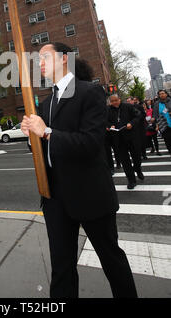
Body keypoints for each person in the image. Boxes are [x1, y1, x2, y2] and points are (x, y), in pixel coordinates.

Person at [21, 42, 137, 298]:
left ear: (64, 59)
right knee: (61, 269)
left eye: (44, 57)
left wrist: (47, 132)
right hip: (55, 198)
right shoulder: (46, 102)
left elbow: (91, 143)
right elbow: (43, 150)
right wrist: (33, 137)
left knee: (112, 261)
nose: (38, 62)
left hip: (90, 193)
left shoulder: (90, 92)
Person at [107, 94, 143, 188]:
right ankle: (131, 180)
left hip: (131, 136)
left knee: (137, 156)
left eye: (116, 100)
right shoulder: (108, 110)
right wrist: (110, 126)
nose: (114, 102)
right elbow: (105, 121)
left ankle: (138, 169)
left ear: (119, 99)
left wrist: (131, 123)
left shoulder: (128, 106)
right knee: (125, 160)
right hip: (119, 139)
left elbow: (138, 116)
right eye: (112, 101)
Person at [153, 90, 171, 157]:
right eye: (160, 94)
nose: (162, 95)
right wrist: (156, 124)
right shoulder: (157, 104)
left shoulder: (170, 101)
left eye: (163, 93)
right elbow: (155, 115)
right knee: (167, 139)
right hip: (163, 125)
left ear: (166, 94)